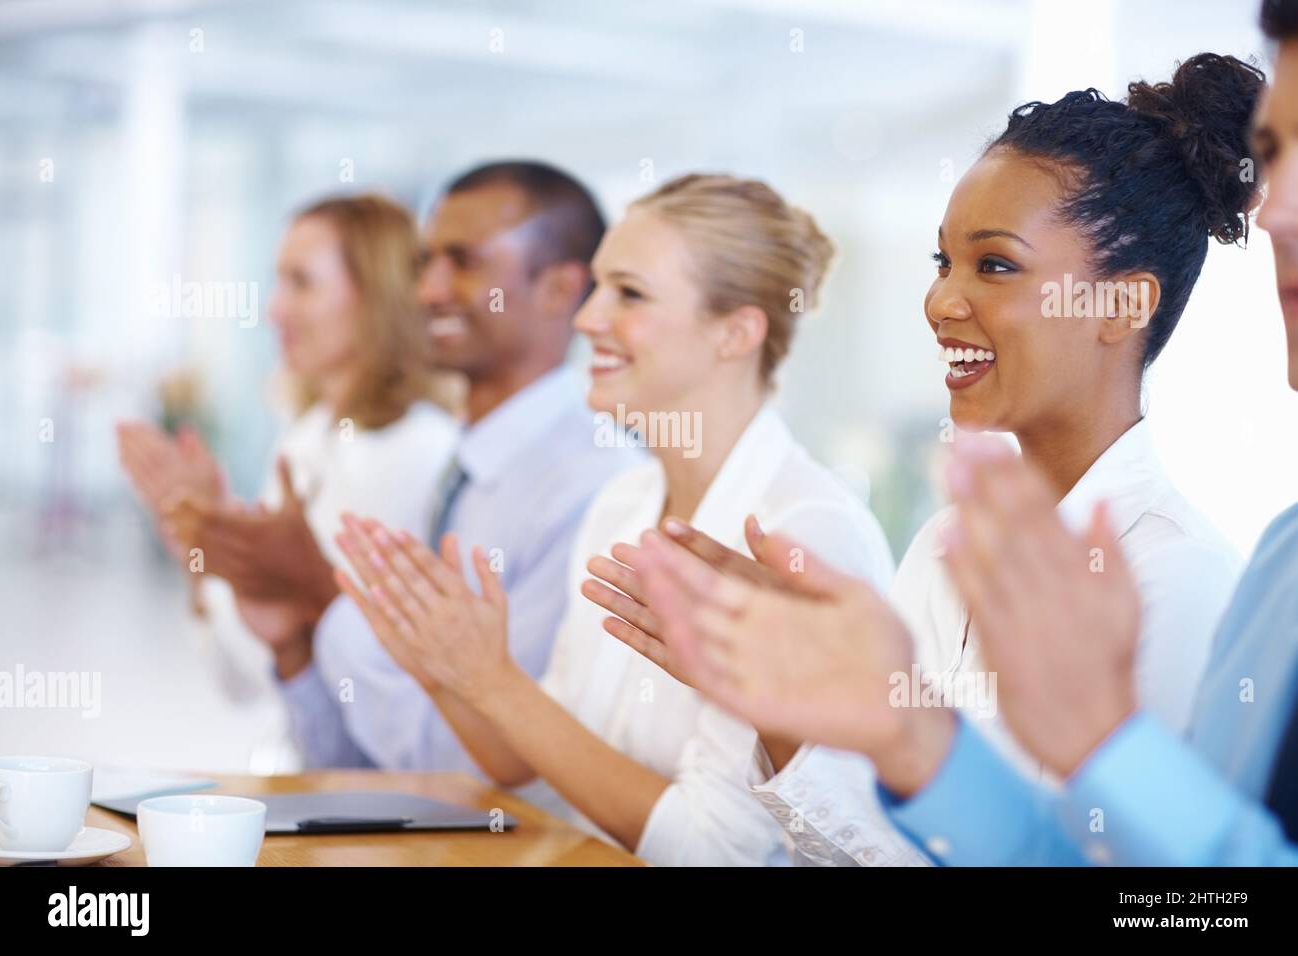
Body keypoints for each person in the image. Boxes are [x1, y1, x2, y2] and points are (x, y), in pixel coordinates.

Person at [634, 8, 1298, 865]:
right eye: (942, 262)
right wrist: (793, 708)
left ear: (1123, 303)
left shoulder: (1182, 581)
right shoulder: (949, 544)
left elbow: (1164, 897)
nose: (942, 302)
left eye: (995, 265)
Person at [333, 174, 895, 865]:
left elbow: (718, 848)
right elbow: (539, 761)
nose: (588, 318)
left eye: (629, 294)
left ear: (735, 331)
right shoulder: (621, 506)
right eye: (597, 287)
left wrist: (496, 685)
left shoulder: (805, 534)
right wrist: (449, 665)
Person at [173, 161, 639, 776]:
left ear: (558, 289)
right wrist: (292, 639)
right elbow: (357, 759)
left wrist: (318, 591)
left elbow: (469, 763)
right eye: (424, 263)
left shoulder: (594, 490)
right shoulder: (459, 465)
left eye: (464, 262)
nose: (427, 291)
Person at [118, 194, 459, 760]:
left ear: (377, 298)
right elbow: (245, 679)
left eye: (302, 283)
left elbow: (353, 671)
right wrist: (201, 554)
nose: (276, 310)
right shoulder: (309, 436)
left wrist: (239, 565)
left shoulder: (422, 452)